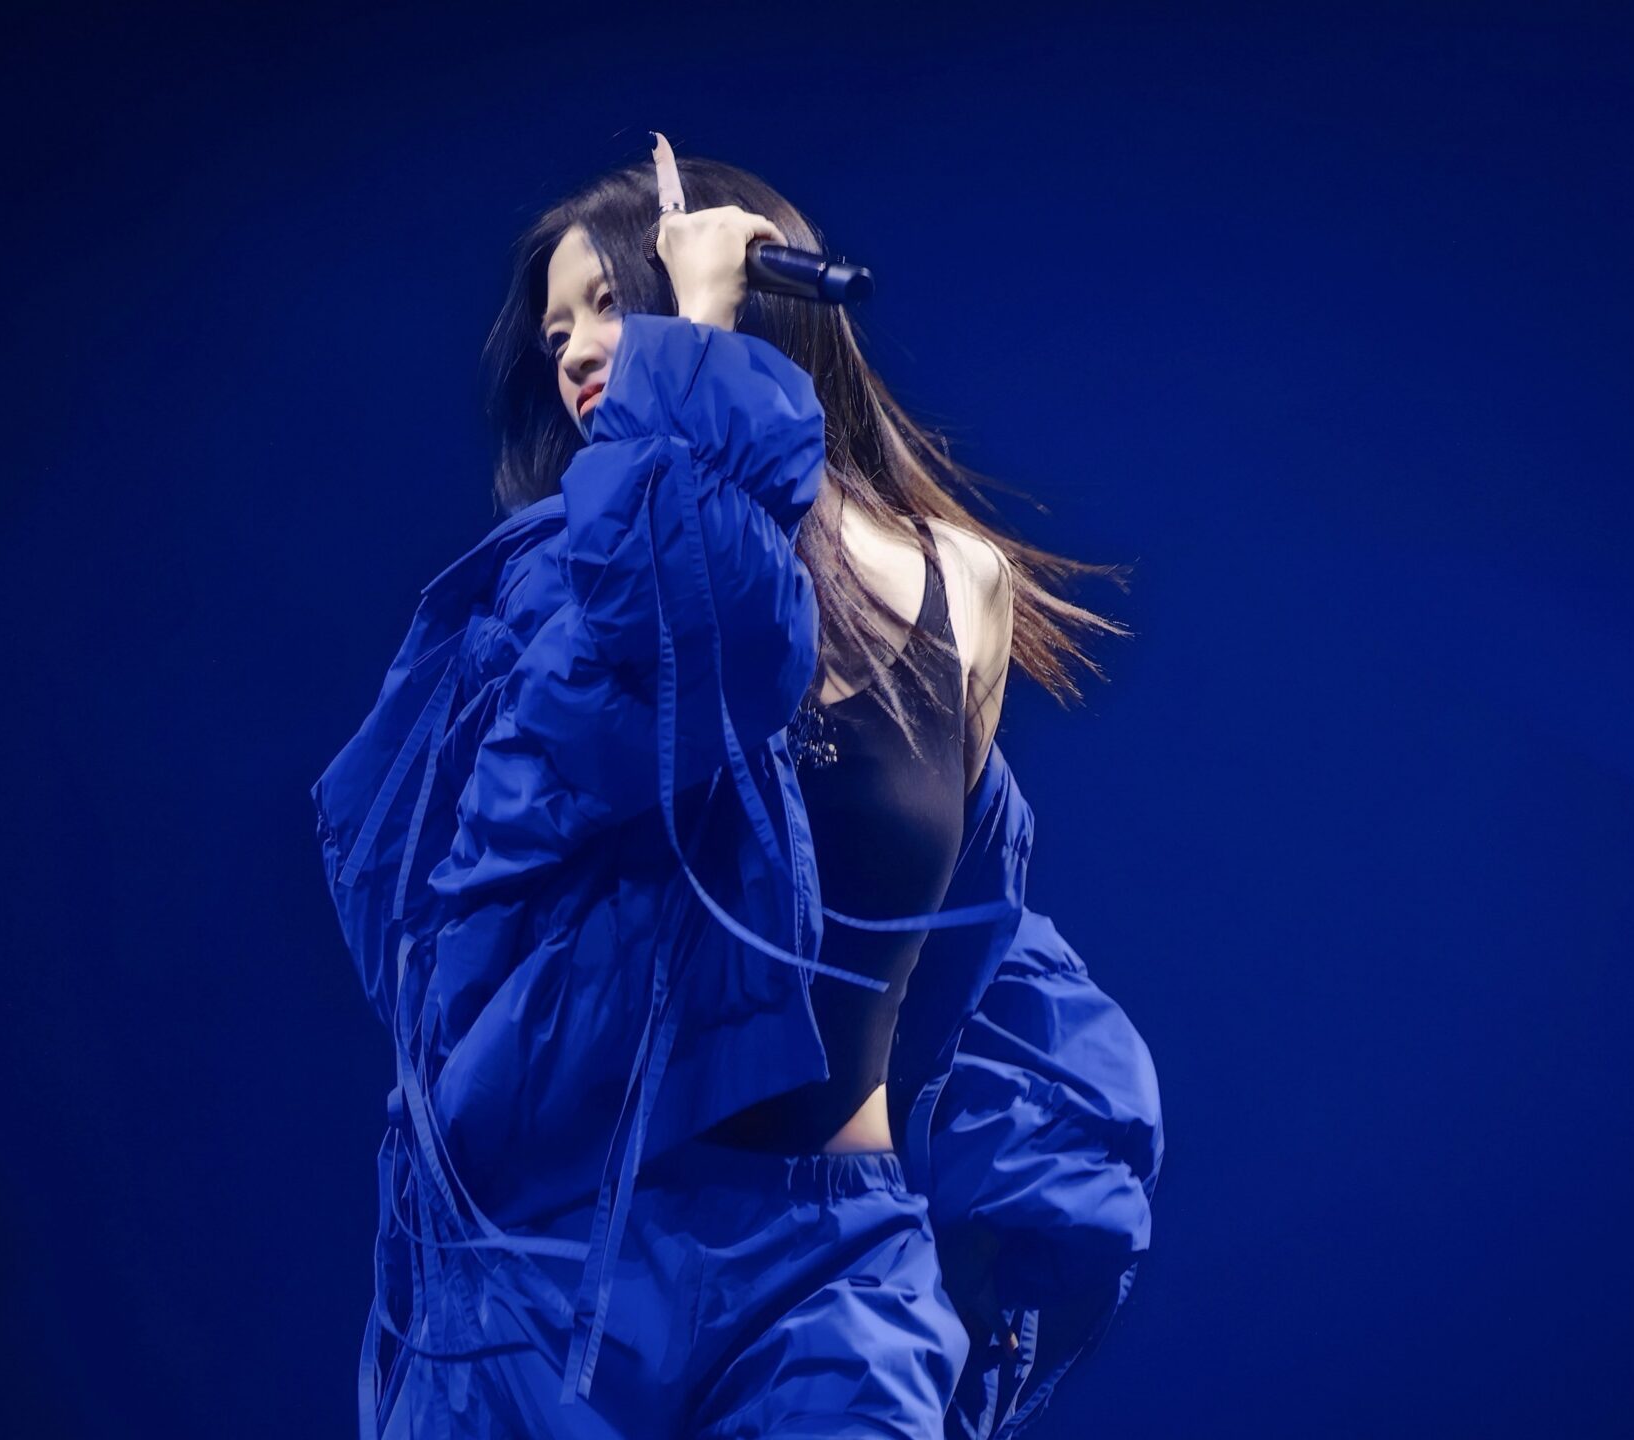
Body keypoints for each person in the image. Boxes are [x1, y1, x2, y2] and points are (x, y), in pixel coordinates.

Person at [313, 135, 1164, 1439]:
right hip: (572, 1280)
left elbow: (960, 932)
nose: (577, 352)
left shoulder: (963, 585)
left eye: (614, 301)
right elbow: (701, 633)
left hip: (835, 1273)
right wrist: (691, 339)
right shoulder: (569, 588)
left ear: (757, 288)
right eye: (557, 333)